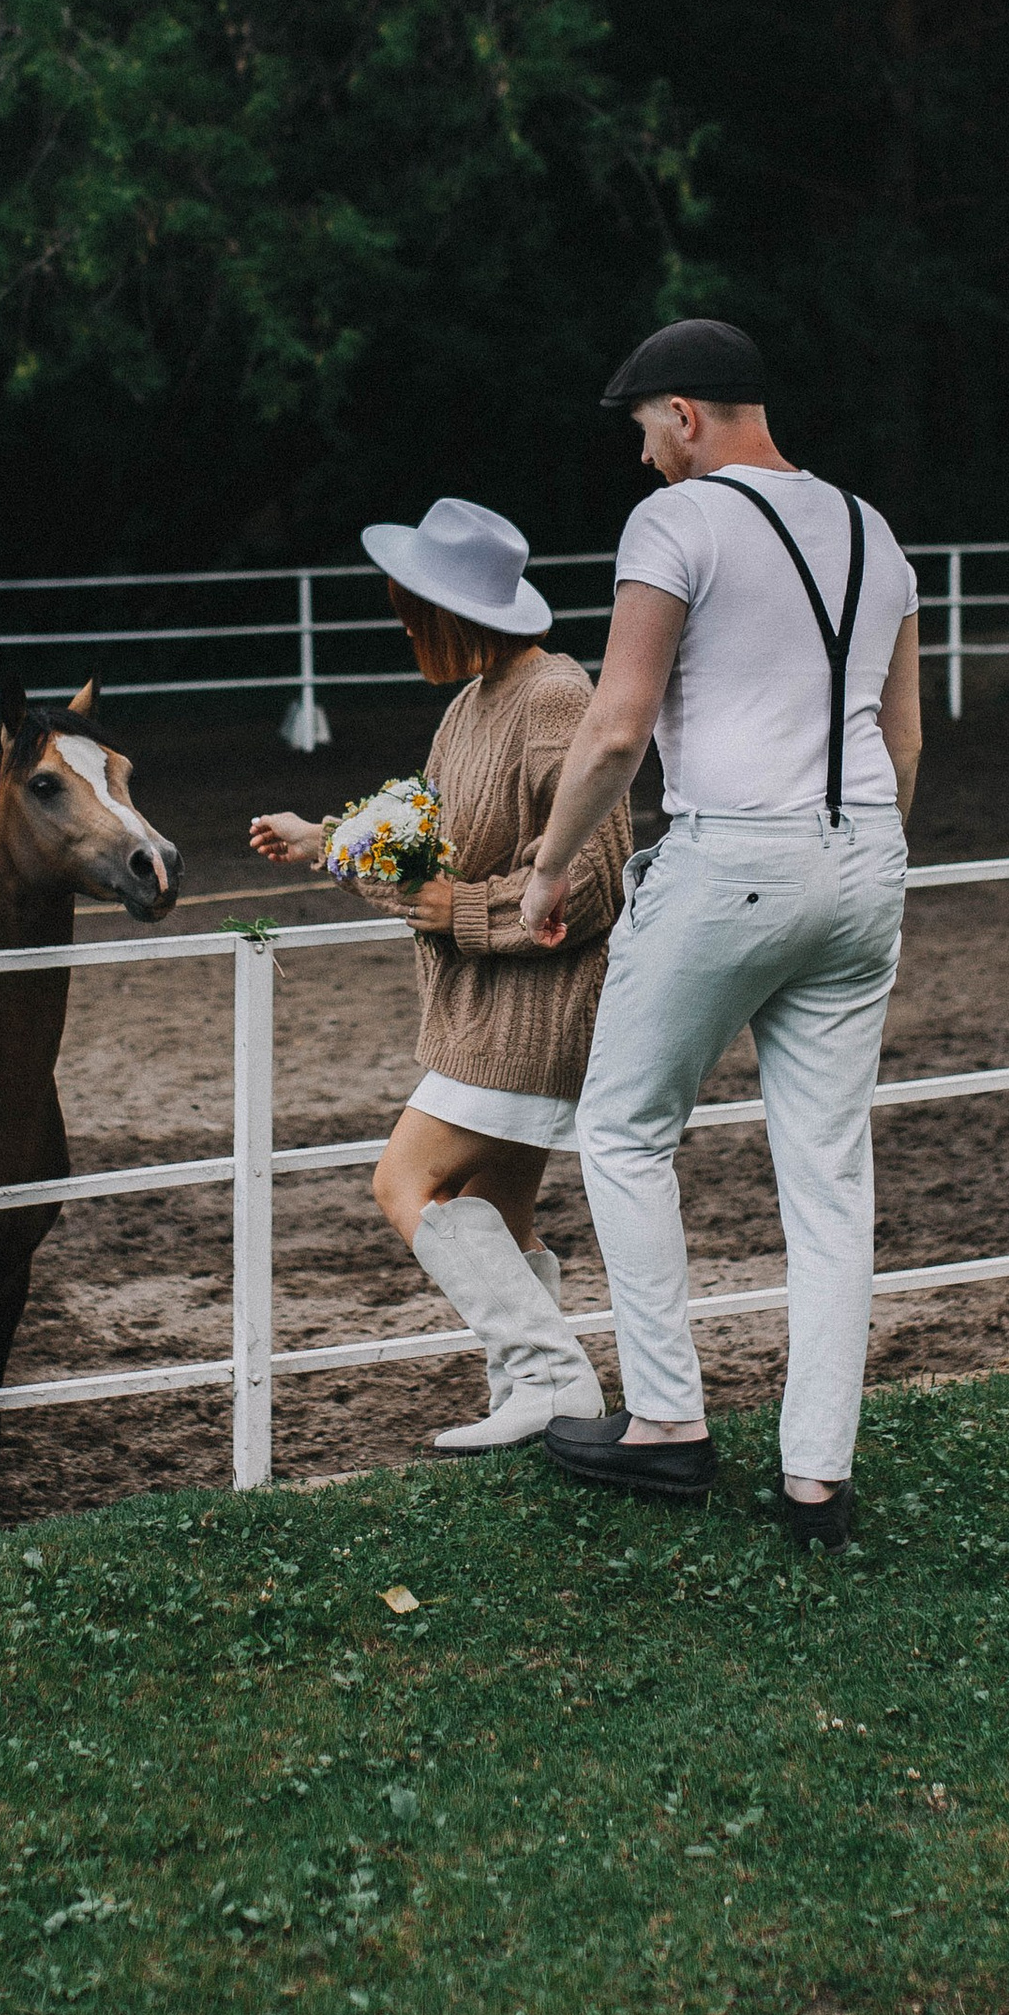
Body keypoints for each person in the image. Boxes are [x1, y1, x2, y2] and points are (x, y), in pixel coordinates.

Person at [516, 321, 920, 1546]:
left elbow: (616, 726)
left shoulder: (678, 523)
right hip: (865, 862)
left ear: (684, 414)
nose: (644, 461)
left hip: (732, 858)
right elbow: (902, 742)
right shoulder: (877, 532)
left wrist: (544, 871)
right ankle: (817, 1478)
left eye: (645, 433)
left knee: (624, 1130)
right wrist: (856, 854)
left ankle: (668, 1425)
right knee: (830, 1176)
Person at [248, 497, 630, 1449]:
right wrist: (326, 842)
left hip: (533, 1014)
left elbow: (598, 876)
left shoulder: (555, 699)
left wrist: (462, 911)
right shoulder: (467, 709)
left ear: (454, 612)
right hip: (479, 1008)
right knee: (488, 1208)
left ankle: (554, 1379)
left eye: (412, 607)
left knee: (402, 1181)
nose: (402, 623)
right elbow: (422, 851)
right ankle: (528, 1394)